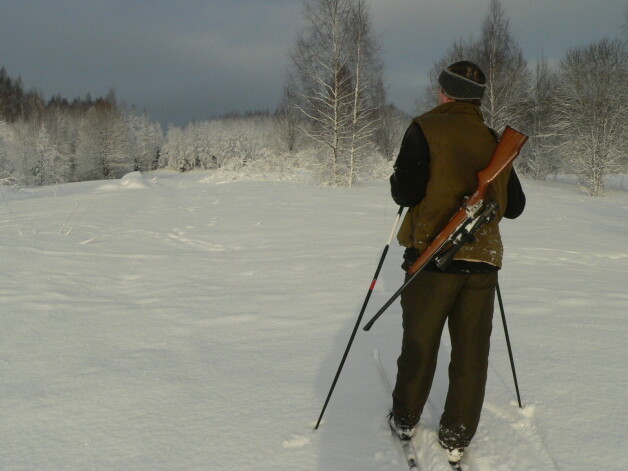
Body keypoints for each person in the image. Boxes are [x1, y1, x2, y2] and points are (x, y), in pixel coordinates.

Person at [387, 61, 526, 466]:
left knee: (420, 344)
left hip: (432, 261)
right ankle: (457, 436)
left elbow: (405, 192)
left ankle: (406, 419)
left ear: (445, 92)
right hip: (483, 263)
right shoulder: (493, 138)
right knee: (471, 353)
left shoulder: (424, 128)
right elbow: (514, 206)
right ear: (477, 99)